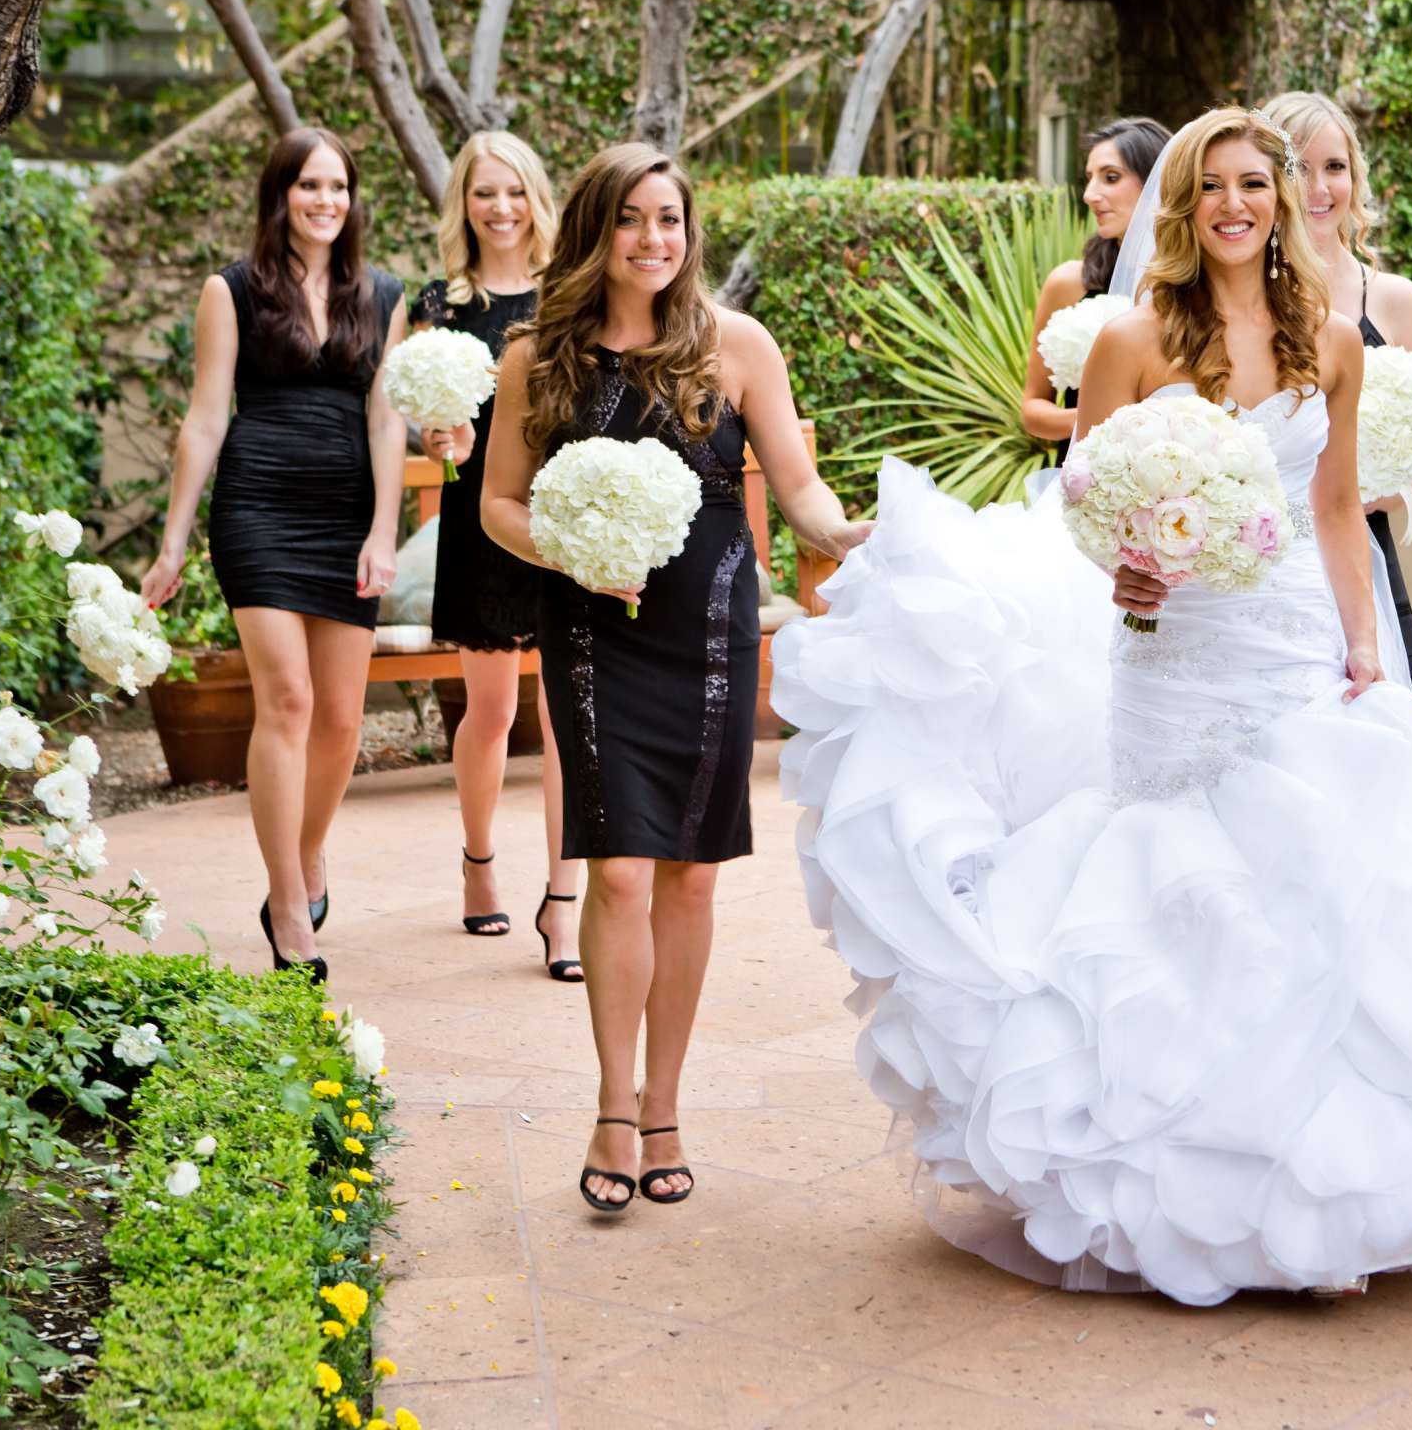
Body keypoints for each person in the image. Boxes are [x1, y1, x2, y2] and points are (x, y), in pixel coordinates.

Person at [772, 108, 1412, 1305]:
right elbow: (1083, 508)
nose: (1237, 205)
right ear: (1187, 207)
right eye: (1215, 189)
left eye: (1258, 185)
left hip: (1295, 635)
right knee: (1174, 880)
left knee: (1309, 871)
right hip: (1172, 647)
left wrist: (1367, 645)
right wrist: (1126, 568)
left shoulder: (1336, 339)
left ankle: (1310, 1180)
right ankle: (1161, 1181)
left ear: (1285, 201)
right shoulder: (1133, 338)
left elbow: (1340, 505)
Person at [481, 142, 868, 1211]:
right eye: (632, 220)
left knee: (692, 874)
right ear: (597, 230)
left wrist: (857, 532)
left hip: (708, 633)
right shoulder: (537, 359)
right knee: (616, 871)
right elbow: (500, 508)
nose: (655, 240)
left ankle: (666, 1103)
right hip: (593, 628)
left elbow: (799, 490)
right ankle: (612, 1101)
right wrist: (580, 554)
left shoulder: (734, 345)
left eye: (671, 221)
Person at [140, 128, 407, 982]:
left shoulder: (384, 294)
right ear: (280, 195)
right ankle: (287, 901)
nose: (325, 200)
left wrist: (383, 531)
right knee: (286, 700)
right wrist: (174, 539)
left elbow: (388, 419)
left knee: (339, 718)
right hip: (257, 509)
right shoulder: (232, 291)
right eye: (308, 186)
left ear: (352, 199)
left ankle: (311, 849)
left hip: (347, 515)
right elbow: (205, 419)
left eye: (338, 186)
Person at [408, 131, 583, 945]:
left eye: (514, 191)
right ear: (463, 205)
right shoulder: (440, 305)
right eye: (484, 193)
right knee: (490, 709)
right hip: (481, 523)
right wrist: (437, 441)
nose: (501, 208)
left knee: (564, 715)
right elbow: (419, 421)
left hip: (561, 520)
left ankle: (564, 903)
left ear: (536, 197)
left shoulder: (571, 294)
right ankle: (478, 862)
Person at [1261, 89, 1412, 732]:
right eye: (1296, 168)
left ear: (1355, 176)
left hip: (1363, 545)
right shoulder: (1240, 297)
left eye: (1334, 167)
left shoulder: (1394, 300)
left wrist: (1385, 492)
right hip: (1265, 550)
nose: (1318, 187)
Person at [1022, 117, 1170, 464]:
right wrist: (1097, 419)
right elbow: (1032, 410)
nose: (1090, 195)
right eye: (1089, 178)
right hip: (1083, 476)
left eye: (1111, 177)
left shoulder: (1200, 287)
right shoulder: (1069, 284)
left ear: (1156, 181)